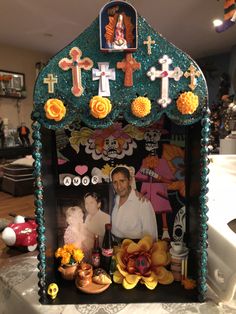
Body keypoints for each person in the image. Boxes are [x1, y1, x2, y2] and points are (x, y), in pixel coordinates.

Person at [111, 166, 158, 242]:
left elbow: (151, 237)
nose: (119, 186)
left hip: (135, 250)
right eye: (115, 182)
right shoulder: (113, 200)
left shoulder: (143, 203)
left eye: (122, 181)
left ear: (130, 181)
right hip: (114, 249)